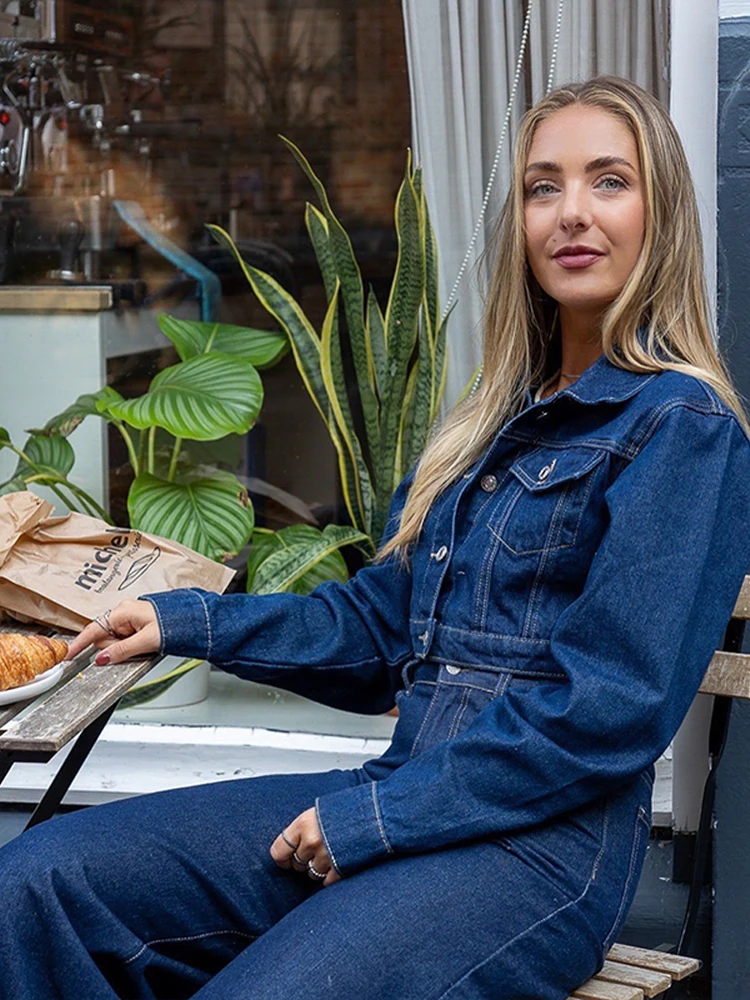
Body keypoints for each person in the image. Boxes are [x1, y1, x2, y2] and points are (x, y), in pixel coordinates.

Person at [2, 75, 750, 1000]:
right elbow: (378, 625)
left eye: (609, 181)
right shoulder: (490, 420)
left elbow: (608, 710)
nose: (571, 214)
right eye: (542, 186)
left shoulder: (682, 426)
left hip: (540, 852)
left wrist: (381, 819)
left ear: (661, 212)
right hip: (403, 789)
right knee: (36, 885)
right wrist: (188, 624)